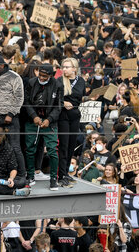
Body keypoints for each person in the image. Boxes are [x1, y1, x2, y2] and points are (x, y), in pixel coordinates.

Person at [23, 63, 63, 190]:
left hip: (50, 122)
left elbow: (59, 106)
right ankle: (30, 175)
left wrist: (49, 119)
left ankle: (53, 179)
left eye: (44, 76)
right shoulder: (31, 82)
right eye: (40, 74)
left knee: (52, 150)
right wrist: (34, 116)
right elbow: (26, 101)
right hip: (32, 121)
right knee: (30, 149)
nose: (41, 77)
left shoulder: (58, 85)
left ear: (50, 76)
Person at [58, 58, 86, 187]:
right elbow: (54, 98)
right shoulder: (59, 81)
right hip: (63, 116)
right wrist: (63, 102)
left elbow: (80, 96)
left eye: (67, 67)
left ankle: (66, 173)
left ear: (74, 68)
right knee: (63, 146)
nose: (64, 69)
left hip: (75, 115)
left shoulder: (80, 81)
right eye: (63, 67)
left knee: (71, 146)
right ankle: (61, 174)